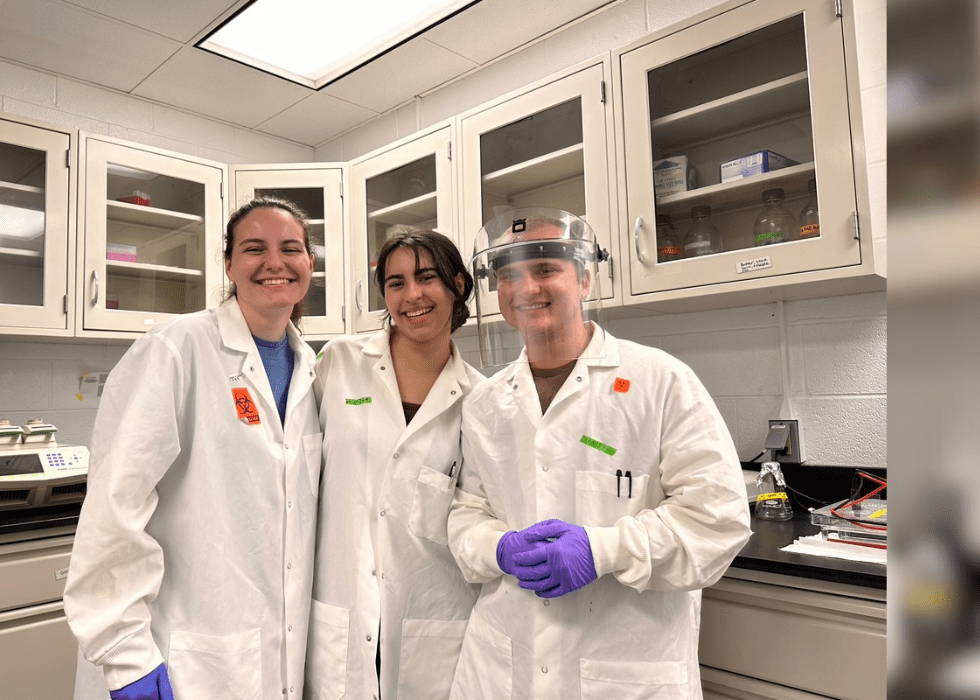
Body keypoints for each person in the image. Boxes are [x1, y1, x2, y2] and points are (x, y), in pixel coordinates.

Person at [447, 208, 751, 699]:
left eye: (546, 269)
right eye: (507, 275)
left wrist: (602, 550)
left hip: (624, 668)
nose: (526, 287)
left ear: (586, 277)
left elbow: (718, 519)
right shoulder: (485, 401)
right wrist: (497, 549)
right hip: (503, 664)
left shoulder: (660, 380)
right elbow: (466, 513)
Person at [64, 196, 323, 700]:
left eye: (290, 248)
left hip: (269, 648)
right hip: (177, 647)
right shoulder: (176, 350)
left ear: (309, 263)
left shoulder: (310, 368)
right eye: (254, 248)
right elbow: (114, 507)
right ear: (229, 263)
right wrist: (125, 653)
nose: (275, 262)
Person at [305, 228, 484, 700]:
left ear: (459, 286)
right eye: (396, 283)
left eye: (427, 278)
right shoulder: (339, 363)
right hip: (341, 613)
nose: (412, 296)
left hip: (434, 621)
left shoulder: (481, 399)